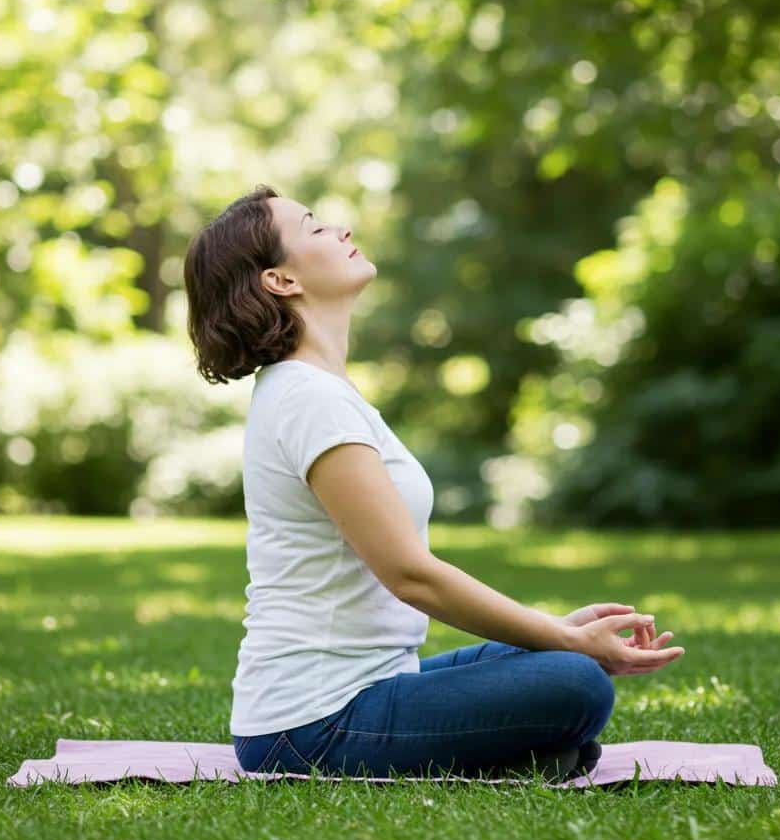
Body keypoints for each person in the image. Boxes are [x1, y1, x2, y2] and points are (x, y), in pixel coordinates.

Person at [182, 183, 685, 781]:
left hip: (375, 685)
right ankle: (528, 751)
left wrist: (553, 631)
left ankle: (529, 754)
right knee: (575, 680)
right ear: (280, 280)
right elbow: (410, 575)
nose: (340, 229)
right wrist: (560, 640)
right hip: (311, 724)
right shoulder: (308, 400)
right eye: (314, 227)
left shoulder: (318, 391)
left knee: (559, 659)